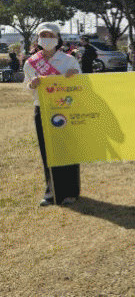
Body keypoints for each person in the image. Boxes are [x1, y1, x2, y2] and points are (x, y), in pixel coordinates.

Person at [23, 23, 82, 206]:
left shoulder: (69, 60)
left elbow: (81, 85)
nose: (46, 39)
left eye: (50, 35)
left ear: (58, 39)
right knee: (47, 151)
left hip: (66, 110)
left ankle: (71, 191)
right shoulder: (31, 63)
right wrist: (31, 85)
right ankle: (52, 192)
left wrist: (75, 76)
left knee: (68, 150)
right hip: (42, 110)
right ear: (38, 39)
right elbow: (27, 87)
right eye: (43, 35)